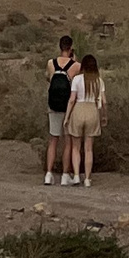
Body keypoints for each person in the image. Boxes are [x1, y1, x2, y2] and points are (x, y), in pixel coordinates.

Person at [65, 53, 107, 187]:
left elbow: (72, 100)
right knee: (89, 149)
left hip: (78, 110)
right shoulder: (98, 81)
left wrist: (67, 117)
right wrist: (104, 116)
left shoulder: (77, 79)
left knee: (76, 147)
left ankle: (77, 175)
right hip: (92, 111)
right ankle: (88, 179)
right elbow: (104, 102)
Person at [44, 34, 80, 183]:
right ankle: (65, 175)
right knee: (68, 141)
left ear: (60, 47)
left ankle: (48, 174)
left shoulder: (51, 63)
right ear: (70, 48)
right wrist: (75, 59)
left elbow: (48, 78)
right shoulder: (76, 66)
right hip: (68, 106)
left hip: (53, 105)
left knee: (53, 140)